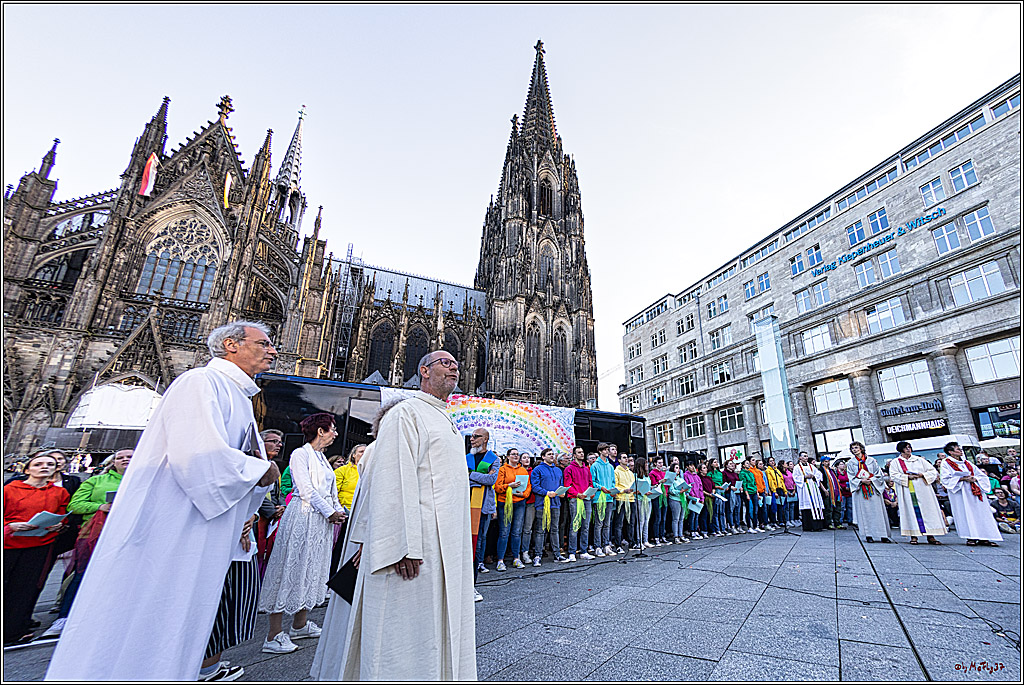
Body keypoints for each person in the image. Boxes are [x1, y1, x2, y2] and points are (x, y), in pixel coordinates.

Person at [46, 321, 280, 681]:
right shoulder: (201, 382)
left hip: (206, 526)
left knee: (183, 621)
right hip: (175, 527)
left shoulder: (239, 396)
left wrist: (251, 497)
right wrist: (260, 471)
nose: (273, 351)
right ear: (231, 345)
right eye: (264, 343)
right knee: (155, 614)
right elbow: (199, 457)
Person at [336, 349, 476, 681]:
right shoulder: (406, 413)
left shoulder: (445, 418)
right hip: (419, 546)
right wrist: (401, 544)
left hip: (445, 546)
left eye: (456, 363)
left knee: (434, 626)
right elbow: (391, 481)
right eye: (444, 362)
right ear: (423, 372)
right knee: (404, 633)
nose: (454, 366)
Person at [258, 413, 346, 652]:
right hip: (304, 516)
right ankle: (273, 634)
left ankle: (300, 623)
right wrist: (330, 512)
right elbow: (306, 489)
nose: (335, 434)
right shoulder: (300, 454)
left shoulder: (322, 458)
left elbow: (331, 490)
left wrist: (338, 510)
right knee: (290, 566)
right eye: (332, 429)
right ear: (320, 431)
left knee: (312, 566)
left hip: (320, 521)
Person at [42, 448, 134, 638]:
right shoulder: (96, 481)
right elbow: (74, 505)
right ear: (113, 462)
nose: (125, 459)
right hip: (95, 533)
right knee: (82, 575)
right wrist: (100, 506)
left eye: (130, 457)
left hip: (131, 533)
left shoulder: (146, 480)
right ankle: (65, 617)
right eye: (120, 457)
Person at [4, 451, 70, 645]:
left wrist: (59, 525)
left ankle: (13, 631)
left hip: (39, 545)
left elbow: (62, 514)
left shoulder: (60, 492)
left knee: (24, 589)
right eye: (38, 464)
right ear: (27, 469)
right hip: (8, 544)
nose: (44, 467)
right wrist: (9, 526)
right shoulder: (9, 489)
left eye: (50, 464)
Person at [939, 441, 1002, 547]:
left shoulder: (967, 462)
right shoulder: (946, 463)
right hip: (961, 493)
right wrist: (962, 478)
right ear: (951, 452)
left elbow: (980, 474)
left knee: (981, 513)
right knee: (965, 513)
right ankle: (970, 536)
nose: (961, 451)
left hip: (974, 490)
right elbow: (945, 479)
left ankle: (985, 536)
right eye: (958, 449)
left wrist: (975, 478)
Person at [888, 441, 947, 545]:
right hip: (907, 490)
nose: (908, 449)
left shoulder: (919, 460)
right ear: (901, 449)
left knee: (927, 511)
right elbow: (893, 475)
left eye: (909, 447)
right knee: (910, 511)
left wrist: (922, 475)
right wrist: (907, 477)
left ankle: (931, 535)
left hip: (923, 489)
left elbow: (933, 471)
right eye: (906, 448)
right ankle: (913, 535)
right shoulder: (896, 462)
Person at [468, 428, 498, 597]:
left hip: (483, 508)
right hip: (464, 505)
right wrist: (479, 476)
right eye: (472, 436)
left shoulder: (493, 459)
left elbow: (491, 480)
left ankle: (472, 585)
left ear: (485, 439)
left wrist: (471, 475)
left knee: (477, 545)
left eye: (476, 436)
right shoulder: (467, 457)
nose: (472, 439)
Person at [845, 442, 891, 543]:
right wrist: (861, 481)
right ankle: (868, 535)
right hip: (861, 490)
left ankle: (883, 535)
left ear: (861, 449)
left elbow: (879, 474)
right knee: (865, 513)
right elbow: (851, 477)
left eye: (856, 448)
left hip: (873, 488)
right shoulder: (851, 463)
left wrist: (871, 480)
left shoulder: (871, 461)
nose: (854, 450)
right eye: (852, 448)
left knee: (878, 512)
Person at [256, 429, 287, 578]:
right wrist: (272, 510)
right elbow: (255, 493)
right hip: (258, 518)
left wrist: (282, 506)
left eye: (280, 442)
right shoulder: (255, 463)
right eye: (274, 441)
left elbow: (279, 491)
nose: (279, 445)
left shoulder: (273, 465)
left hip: (271, 518)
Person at [494, 449, 530, 570]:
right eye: (513, 454)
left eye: (517, 454)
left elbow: (528, 486)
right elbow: (498, 487)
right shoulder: (502, 469)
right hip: (504, 503)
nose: (516, 456)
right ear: (508, 456)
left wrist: (523, 494)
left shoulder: (523, 470)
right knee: (504, 532)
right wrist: (509, 486)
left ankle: (516, 558)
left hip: (519, 502)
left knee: (517, 532)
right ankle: (500, 560)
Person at [529, 448, 566, 565]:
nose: (552, 456)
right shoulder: (537, 470)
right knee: (540, 530)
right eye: (549, 454)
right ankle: (537, 556)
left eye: (553, 454)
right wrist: (546, 492)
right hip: (542, 504)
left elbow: (561, 484)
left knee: (555, 529)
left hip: (556, 504)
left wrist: (562, 492)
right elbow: (534, 486)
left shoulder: (558, 470)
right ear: (543, 457)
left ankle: (557, 555)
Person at [564, 446, 594, 561]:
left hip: (586, 499)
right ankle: (572, 552)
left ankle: (583, 551)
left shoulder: (586, 469)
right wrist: (577, 494)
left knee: (586, 526)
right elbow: (567, 485)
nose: (582, 454)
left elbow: (590, 482)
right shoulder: (569, 468)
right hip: (575, 499)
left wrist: (590, 492)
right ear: (574, 455)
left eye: (582, 452)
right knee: (575, 525)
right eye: (579, 453)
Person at [590, 443, 617, 557]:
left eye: (607, 450)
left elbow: (612, 481)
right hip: (599, 497)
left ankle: (606, 545)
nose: (607, 452)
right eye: (605, 450)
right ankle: (597, 546)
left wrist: (612, 490)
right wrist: (601, 487)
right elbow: (593, 481)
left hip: (609, 497)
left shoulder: (610, 466)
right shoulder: (595, 466)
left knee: (607, 523)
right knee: (599, 523)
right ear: (600, 451)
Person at [793, 452, 825, 532]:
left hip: (813, 488)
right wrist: (804, 477)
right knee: (807, 507)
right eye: (804, 456)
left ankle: (818, 526)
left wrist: (814, 476)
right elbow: (795, 477)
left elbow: (819, 474)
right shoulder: (797, 467)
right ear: (800, 458)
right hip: (804, 489)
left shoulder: (811, 466)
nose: (806, 458)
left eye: (807, 456)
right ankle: (808, 526)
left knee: (816, 506)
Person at [612, 452, 637, 552]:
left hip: (631, 498)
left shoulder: (630, 472)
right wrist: (623, 490)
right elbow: (615, 485)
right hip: (621, 499)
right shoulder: (616, 471)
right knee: (619, 523)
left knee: (631, 522)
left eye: (627, 458)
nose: (626, 459)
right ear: (619, 460)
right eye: (624, 458)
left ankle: (631, 542)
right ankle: (618, 545)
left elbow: (633, 484)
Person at [819, 457, 845, 530]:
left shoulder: (832, 470)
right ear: (823, 462)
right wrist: (824, 490)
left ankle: (837, 522)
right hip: (828, 491)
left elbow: (836, 480)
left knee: (838, 507)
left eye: (829, 461)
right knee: (828, 508)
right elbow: (819, 481)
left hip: (835, 491)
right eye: (826, 461)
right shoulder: (821, 470)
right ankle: (829, 523)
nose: (828, 463)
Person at [666, 463, 688, 543]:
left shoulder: (680, 479)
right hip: (675, 499)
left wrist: (687, 489)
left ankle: (681, 535)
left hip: (682, 499)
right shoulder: (671, 479)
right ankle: (676, 536)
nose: (678, 470)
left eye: (678, 468)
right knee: (676, 518)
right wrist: (679, 491)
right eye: (676, 468)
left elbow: (685, 487)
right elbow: (671, 490)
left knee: (681, 519)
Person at [684, 462, 706, 537]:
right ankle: (691, 530)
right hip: (692, 498)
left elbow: (700, 487)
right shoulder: (686, 475)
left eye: (693, 465)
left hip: (698, 498)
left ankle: (696, 530)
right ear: (687, 467)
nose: (692, 467)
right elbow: (688, 487)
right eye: (690, 466)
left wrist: (702, 498)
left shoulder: (696, 476)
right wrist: (693, 497)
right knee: (692, 515)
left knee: (697, 515)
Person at [723, 460, 741, 533]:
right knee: (730, 509)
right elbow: (725, 483)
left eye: (733, 463)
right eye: (730, 464)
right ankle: (731, 525)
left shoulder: (735, 473)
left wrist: (740, 487)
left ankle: (738, 525)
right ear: (726, 465)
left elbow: (738, 481)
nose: (732, 465)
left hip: (737, 492)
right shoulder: (724, 473)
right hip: (730, 492)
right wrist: (730, 487)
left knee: (737, 509)